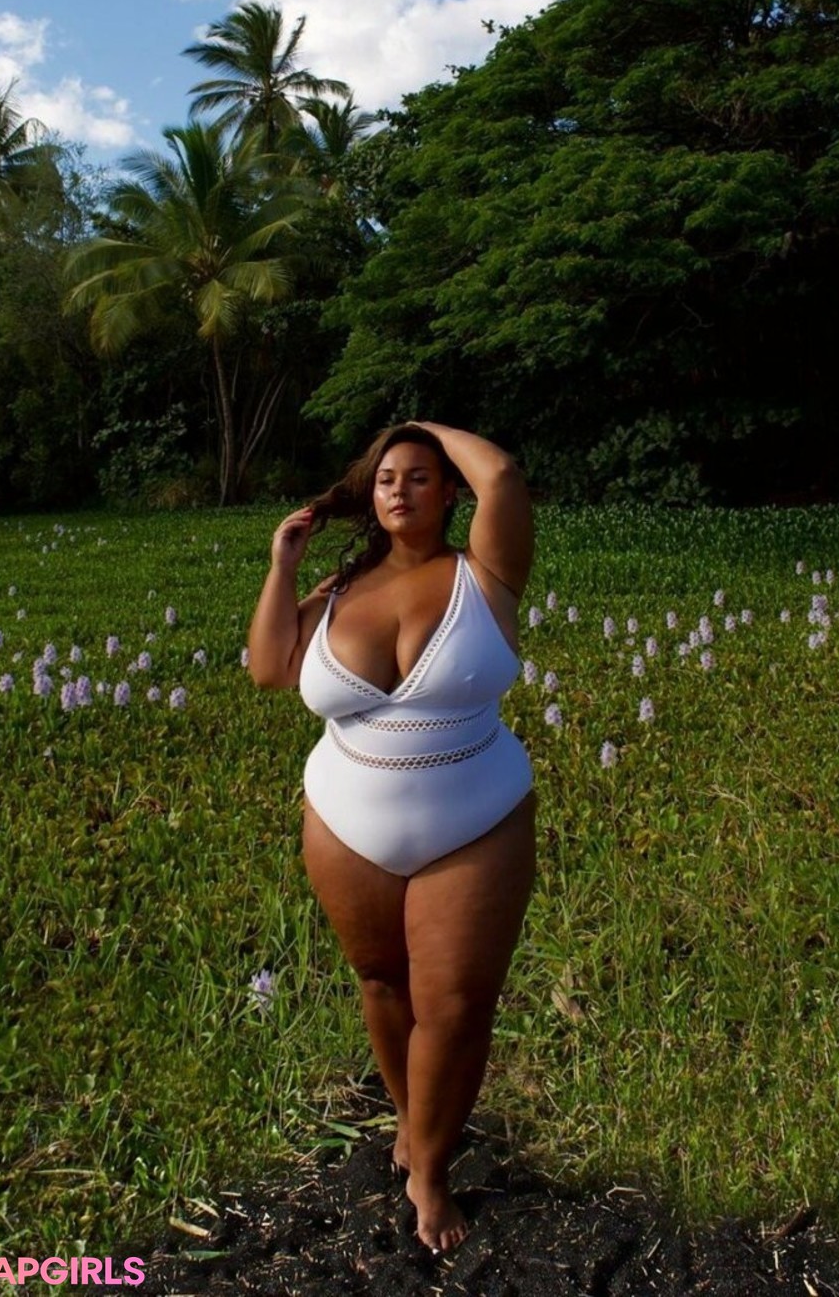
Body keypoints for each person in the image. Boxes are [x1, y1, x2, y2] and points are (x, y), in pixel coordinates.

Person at [247, 420, 536, 1254]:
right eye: (385, 478)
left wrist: (415, 425)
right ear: (370, 497)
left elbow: (503, 475)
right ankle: (412, 1119)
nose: (399, 490)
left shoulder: (486, 574)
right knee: (381, 983)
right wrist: (282, 567)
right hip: (347, 820)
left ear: (448, 493)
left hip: (476, 819)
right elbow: (268, 668)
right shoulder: (340, 589)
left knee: (456, 1006)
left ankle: (431, 1173)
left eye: (418, 476)